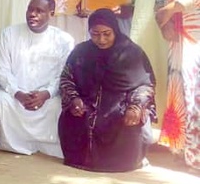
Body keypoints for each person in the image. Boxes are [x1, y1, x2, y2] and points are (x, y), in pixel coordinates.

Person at [59, 9, 156, 172]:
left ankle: (126, 161)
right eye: (95, 34)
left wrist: (135, 107)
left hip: (121, 105)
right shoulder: (81, 52)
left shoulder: (132, 53)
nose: (101, 40)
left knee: (127, 122)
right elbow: (66, 78)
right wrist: (73, 99)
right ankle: (83, 160)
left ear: (115, 30)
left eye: (106, 34)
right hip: (87, 104)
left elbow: (146, 85)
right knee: (76, 118)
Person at [0, 0, 74, 157]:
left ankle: (45, 145)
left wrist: (46, 93)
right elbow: (2, 70)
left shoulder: (64, 40)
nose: (32, 14)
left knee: (58, 105)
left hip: (48, 96)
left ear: (51, 13)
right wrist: (18, 93)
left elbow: (63, 75)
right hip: (15, 94)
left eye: (39, 11)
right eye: (30, 9)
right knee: (1, 100)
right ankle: (14, 145)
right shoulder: (8, 34)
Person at [155, 0, 200, 171]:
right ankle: (180, 147)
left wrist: (171, 10)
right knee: (178, 86)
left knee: (196, 89)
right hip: (176, 35)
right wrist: (162, 21)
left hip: (196, 31)